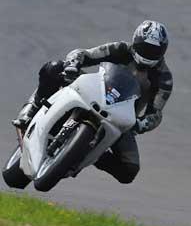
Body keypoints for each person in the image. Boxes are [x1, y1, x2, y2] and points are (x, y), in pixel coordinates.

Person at [12, 21, 173, 184]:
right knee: (54, 68)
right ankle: (32, 108)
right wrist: (73, 65)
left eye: (154, 50)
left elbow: (155, 113)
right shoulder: (120, 49)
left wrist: (141, 124)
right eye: (145, 48)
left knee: (129, 170)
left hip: (122, 118)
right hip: (94, 92)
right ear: (136, 41)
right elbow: (84, 54)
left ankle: (92, 154)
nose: (148, 53)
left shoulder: (164, 79)